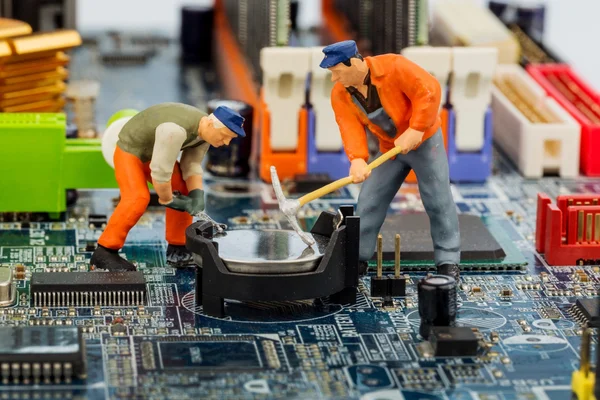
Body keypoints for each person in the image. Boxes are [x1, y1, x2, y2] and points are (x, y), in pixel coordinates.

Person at [319, 40, 461, 278]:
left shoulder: (395, 66)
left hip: (425, 143)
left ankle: (448, 261)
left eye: (336, 72)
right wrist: (357, 159)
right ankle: (359, 258)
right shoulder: (341, 95)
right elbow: (349, 127)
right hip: (389, 149)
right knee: (369, 200)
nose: (334, 79)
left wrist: (416, 129)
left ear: (353, 63)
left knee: (438, 201)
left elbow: (429, 90)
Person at [91, 102, 245, 271]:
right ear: (210, 124)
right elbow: (160, 172)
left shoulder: (206, 134)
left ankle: (178, 248)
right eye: (224, 136)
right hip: (130, 152)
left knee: (183, 187)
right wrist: (169, 199)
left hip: (153, 153)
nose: (226, 143)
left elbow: (191, 164)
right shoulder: (174, 131)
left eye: (230, 138)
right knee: (137, 198)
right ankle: (105, 252)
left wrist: (196, 194)